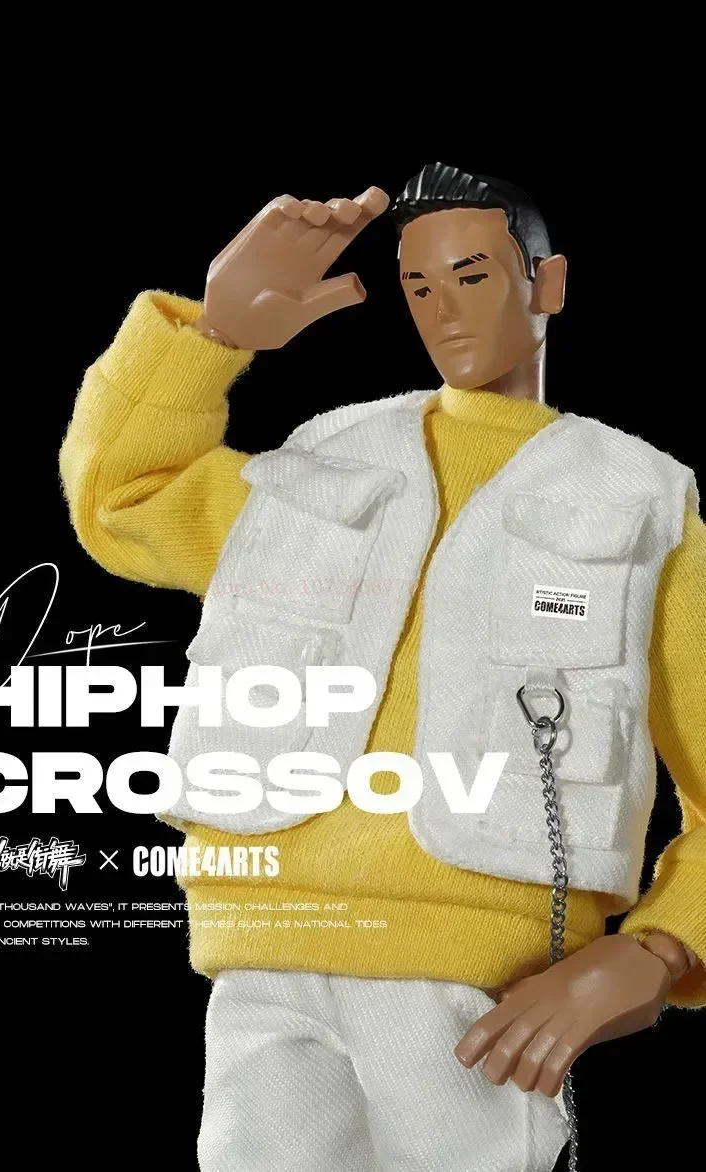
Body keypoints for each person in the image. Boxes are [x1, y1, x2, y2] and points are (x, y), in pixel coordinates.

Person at [59, 162, 705, 1171]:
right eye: (418, 286)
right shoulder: (323, 464)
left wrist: (657, 948)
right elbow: (122, 497)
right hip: (260, 955)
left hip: (478, 986)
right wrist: (211, 336)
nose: (444, 309)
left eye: (473, 276)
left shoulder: (636, 502)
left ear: (547, 283)